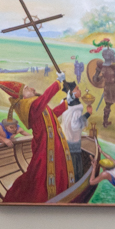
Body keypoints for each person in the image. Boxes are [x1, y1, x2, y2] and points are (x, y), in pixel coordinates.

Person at [1, 74, 75, 203]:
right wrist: (57, 82)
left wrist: (66, 103)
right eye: (27, 89)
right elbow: (46, 96)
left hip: (52, 145)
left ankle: (59, 193)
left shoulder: (36, 105)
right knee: (40, 176)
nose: (32, 89)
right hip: (44, 148)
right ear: (24, 97)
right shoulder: (31, 107)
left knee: (55, 170)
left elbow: (52, 114)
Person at [58, 81, 93, 179]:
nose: (80, 90)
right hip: (73, 140)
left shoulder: (64, 102)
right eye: (77, 89)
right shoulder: (77, 108)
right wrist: (88, 114)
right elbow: (75, 125)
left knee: (65, 163)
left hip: (64, 138)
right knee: (75, 167)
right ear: (71, 92)